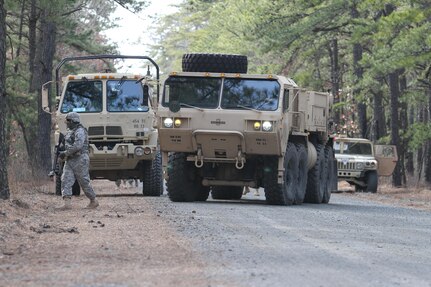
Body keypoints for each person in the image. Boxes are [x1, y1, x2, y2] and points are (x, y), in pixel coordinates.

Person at [56, 112, 99, 210]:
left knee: (83, 181)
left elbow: (78, 146)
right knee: (66, 179)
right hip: (70, 159)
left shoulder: (80, 131)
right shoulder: (71, 131)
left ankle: (93, 200)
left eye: (68, 121)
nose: (66, 123)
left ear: (73, 121)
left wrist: (65, 153)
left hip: (80, 159)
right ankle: (67, 203)